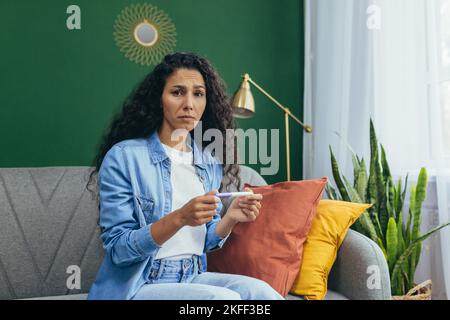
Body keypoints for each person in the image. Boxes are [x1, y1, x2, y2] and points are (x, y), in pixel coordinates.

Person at [86, 52, 284, 300]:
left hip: (191, 275)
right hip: (138, 285)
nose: (189, 103)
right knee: (223, 301)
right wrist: (180, 217)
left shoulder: (207, 162)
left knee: (262, 293)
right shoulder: (125, 157)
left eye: (198, 94)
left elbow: (203, 241)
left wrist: (230, 218)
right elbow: (119, 249)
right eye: (177, 92)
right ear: (159, 99)